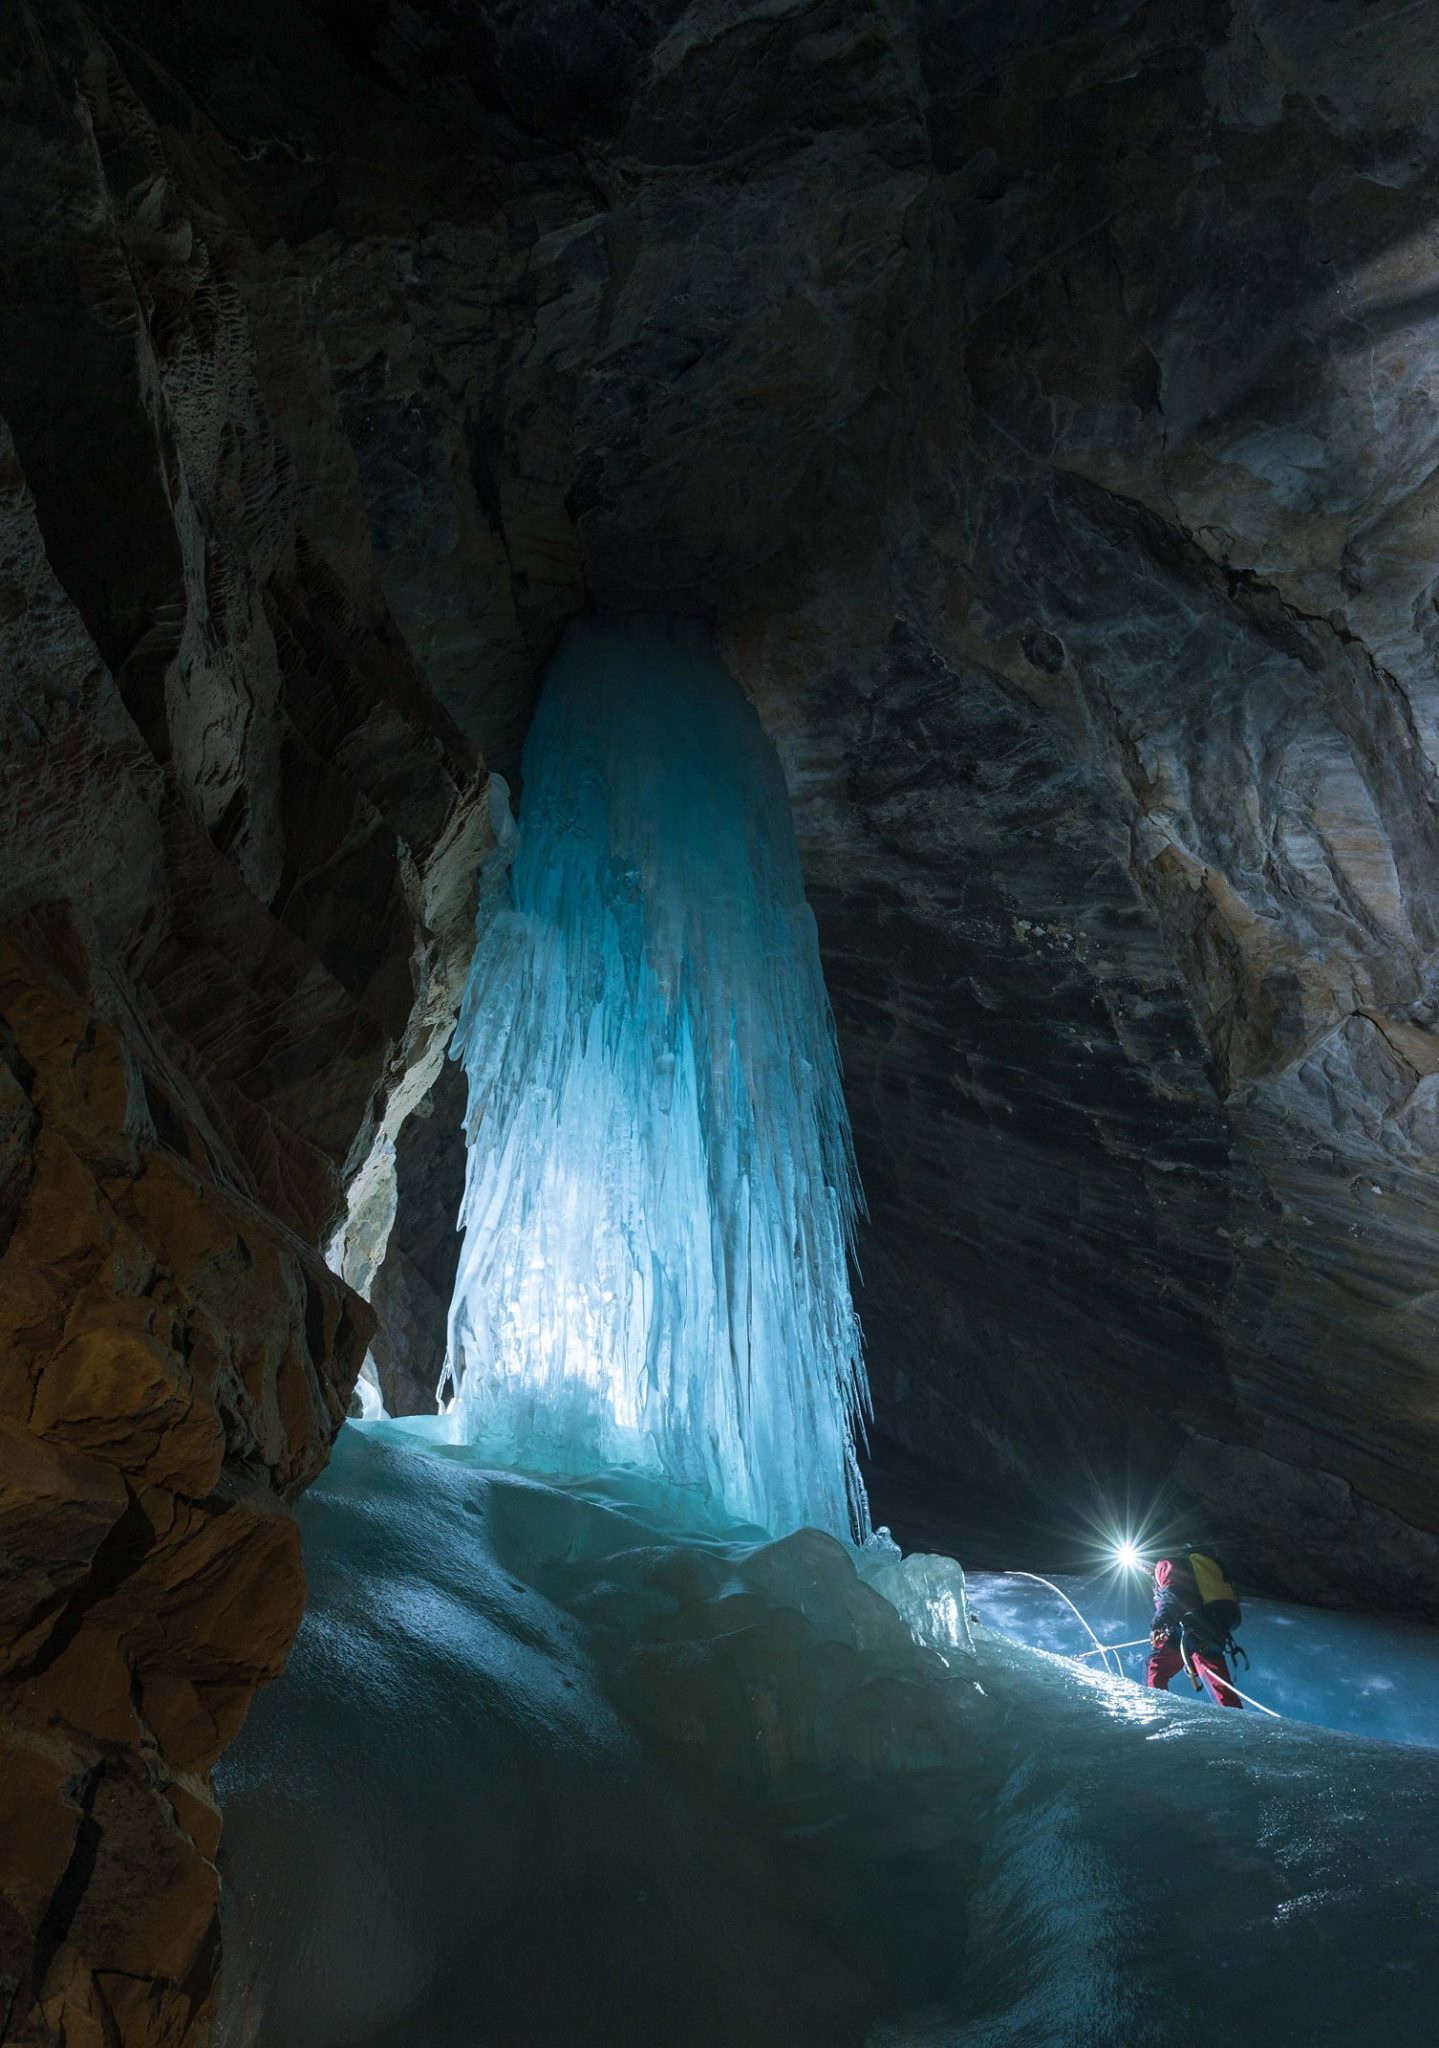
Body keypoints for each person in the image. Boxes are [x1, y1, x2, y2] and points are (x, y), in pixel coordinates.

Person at [1146, 1548, 1244, 1708]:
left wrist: (1157, 1624)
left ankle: (1155, 1709)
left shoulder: (1165, 1564)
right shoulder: (1192, 1564)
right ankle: (1236, 1718)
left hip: (1194, 1623)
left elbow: (1173, 1594)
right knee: (1215, 1675)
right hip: (1215, 1623)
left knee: (1155, 1664)